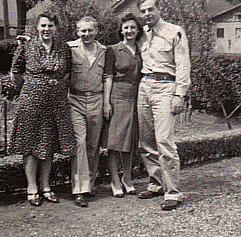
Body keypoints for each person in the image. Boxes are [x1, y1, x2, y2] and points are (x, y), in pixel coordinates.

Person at [9, 13, 75, 207]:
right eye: (43, 26)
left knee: (49, 143)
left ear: (56, 28)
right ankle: (31, 187)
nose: (47, 29)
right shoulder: (26, 47)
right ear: (37, 27)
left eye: (51, 26)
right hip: (31, 101)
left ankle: (46, 186)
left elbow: (67, 73)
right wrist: (32, 87)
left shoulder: (64, 48)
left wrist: (54, 86)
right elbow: (15, 73)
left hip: (56, 102)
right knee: (30, 143)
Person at [136, 0, 191, 210]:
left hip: (165, 88)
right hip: (145, 87)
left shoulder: (174, 32)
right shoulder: (143, 35)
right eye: (143, 11)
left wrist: (180, 94)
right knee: (146, 142)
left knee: (164, 141)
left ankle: (173, 192)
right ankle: (156, 183)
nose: (147, 14)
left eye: (150, 10)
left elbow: (183, 64)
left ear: (159, 10)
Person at [67, 16, 107, 207]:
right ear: (77, 32)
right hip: (75, 99)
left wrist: (106, 103)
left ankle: (89, 184)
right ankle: (78, 189)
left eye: (90, 30)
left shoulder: (104, 51)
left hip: (97, 100)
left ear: (96, 31)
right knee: (80, 143)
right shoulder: (69, 49)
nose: (86, 34)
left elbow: (108, 77)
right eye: (83, 31)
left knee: (93, 144)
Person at [103, 13, 143, 198]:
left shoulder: (142, 49)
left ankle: (127, 178)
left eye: (133, 27)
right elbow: (108, 77)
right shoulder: (113, 50)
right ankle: (115, 180)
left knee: (129, 142)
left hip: (136, 98)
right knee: (114, 142)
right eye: (126, 28)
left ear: (138, 30)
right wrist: (107, 102)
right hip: (117, 97)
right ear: (121, 30)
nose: (129, 31)